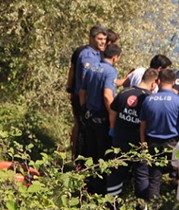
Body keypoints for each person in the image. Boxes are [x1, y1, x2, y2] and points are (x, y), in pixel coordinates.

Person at [139, 69, 179, 205]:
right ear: (174, 82)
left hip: (152, 144)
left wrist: (143, 145)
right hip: (173, 145)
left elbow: (142, 126)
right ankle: (178, 208)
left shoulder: (148, 99)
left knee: (154, 178)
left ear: (158, 81)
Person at [106, 68, 159, 199]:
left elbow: (113, 110)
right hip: (139, 143)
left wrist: (112, 128)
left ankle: (110, 204)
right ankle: (141, 206)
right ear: (153, 84)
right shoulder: (149, 99)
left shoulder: (125, 92)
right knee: (141, 174)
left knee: (116, 170)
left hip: (120, 139)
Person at [79, 44, 121, 194]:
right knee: (102, 154)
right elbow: (107, 96)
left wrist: (84, 110)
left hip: (90, 116)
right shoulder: (111, 71)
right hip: (102, 118)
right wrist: (113, 119)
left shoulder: (91, 67)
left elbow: (82, 91)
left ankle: (88, 186)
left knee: (90, 152)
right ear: (116, 57)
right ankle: (99, 190)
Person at [66, 25, 108, 159]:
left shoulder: (96, 54)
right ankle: (78, 158)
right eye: (99, 39)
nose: (102, 42)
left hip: (83, 97)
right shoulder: (88, 56)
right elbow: (87, 81)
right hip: (84, 99)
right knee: (83, 129)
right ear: (91, 38)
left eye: (104, 39)